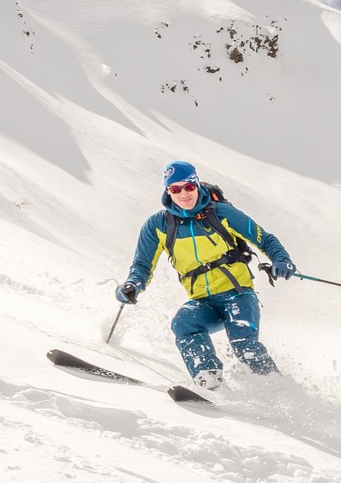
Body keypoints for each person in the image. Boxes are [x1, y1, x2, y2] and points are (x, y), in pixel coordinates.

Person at [115, 160, 296, 388]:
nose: (183, 194)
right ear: (168, 191)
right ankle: (209, 381)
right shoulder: (158, 225)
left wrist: (281, 259)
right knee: (184, 324)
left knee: (244, 344)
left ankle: (277, 390)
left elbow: (264, 239)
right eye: (175, 189)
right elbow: (142, 265)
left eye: (189, 187)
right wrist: (133, 284)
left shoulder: (221, 213)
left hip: (238, 295)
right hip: (203, 302)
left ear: (197, 184)